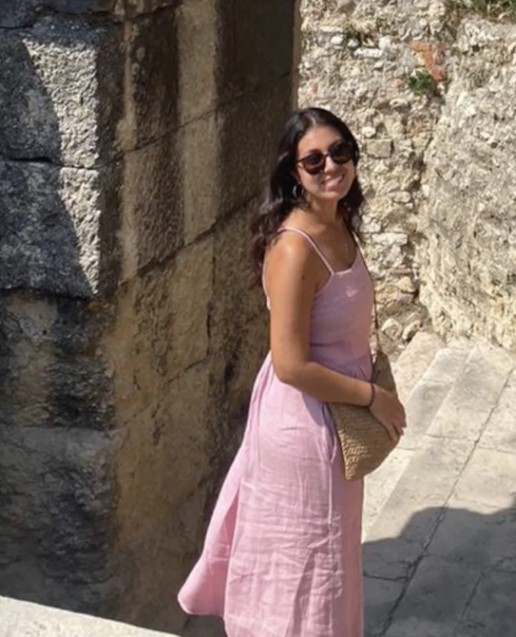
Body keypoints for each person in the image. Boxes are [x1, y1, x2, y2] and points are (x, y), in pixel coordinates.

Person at [178, 107, 406, 637]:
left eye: (340, 152)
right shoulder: (294, 247)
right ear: (292, 172)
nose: (331, 166)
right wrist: (372, 397)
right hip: (307, 426)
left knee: (329, 564)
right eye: (314, 160)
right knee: (304, 571)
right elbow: (290, 363)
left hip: (334, 422)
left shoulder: (338, 223)